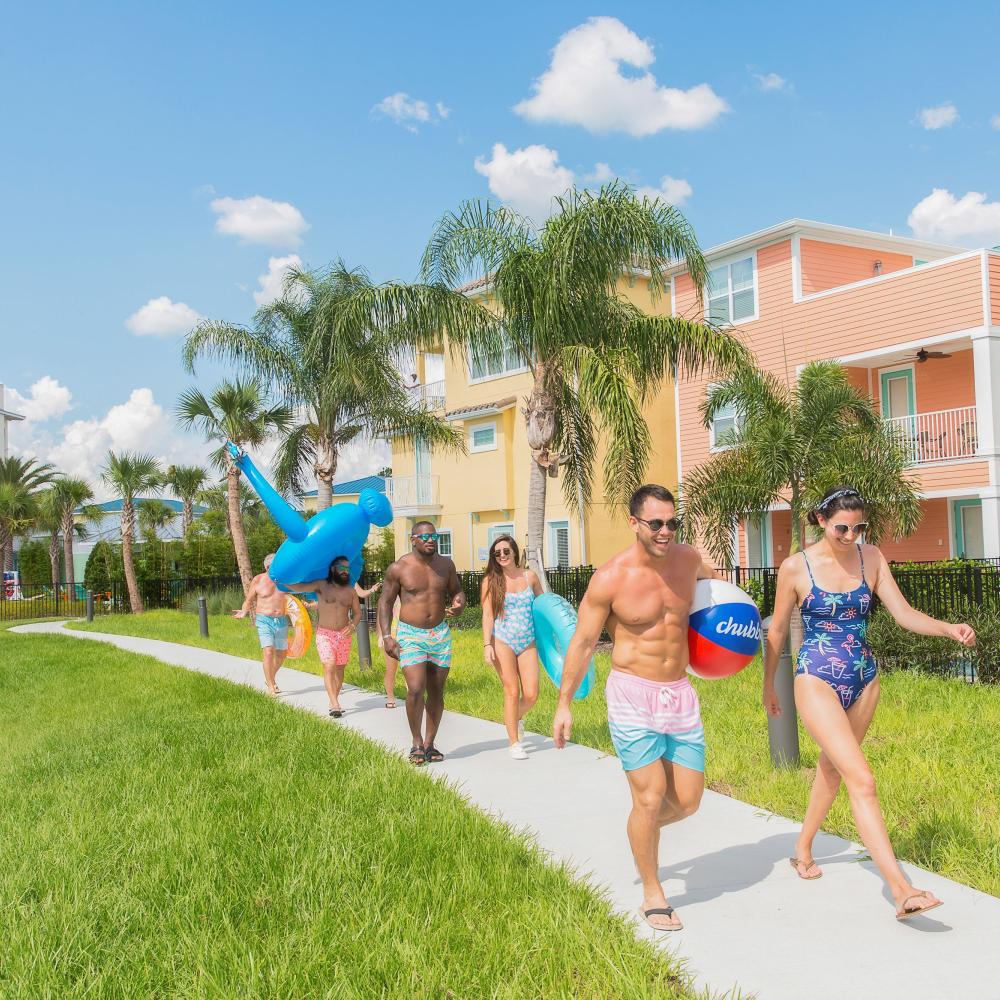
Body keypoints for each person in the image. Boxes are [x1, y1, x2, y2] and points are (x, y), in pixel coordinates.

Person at [764, 484, 975, 921]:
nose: (851, 535)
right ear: (821, 521)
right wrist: (770, 685)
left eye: (859, 528)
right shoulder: (795, 567)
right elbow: (778, 631)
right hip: (816, 678)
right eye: (842, 527)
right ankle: (901, 889)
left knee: (833, 768)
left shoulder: (872, 558)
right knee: (863, 778)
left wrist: (946, 627)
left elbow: (903, 612)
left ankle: (803, 848)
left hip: (864, 679)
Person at [553, 485, 715, 933]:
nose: (666, 531)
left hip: (679, 692)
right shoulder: (611, 577)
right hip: (631, 695)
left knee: (687, 801)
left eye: (672, 522)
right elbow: (584, 642)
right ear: (634, 523)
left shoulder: (690, 561)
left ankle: (639, 830)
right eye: (656, 523)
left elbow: (718, 595)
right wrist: (564, 704)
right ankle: (652, 892)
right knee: (647, 796)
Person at [378, 521, 465, 765]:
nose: (430, 540)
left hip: (439, 634)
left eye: (434, 536)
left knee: (437, 690)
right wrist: (387, 636)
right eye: (424, 536)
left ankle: (430, 744)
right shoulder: (399, 568)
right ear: (413, 539)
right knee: (416, 688)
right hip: (411, 634)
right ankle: (416, 742)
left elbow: (457, 591)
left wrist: (459, 603)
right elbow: (385, 602)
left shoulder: (446, 565)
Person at [481, 534, 543, 759]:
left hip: (528, 641)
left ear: (515, 551)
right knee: (511, 690)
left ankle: (513, 718)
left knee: (532, 694)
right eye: (497, 553)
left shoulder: (530, 577)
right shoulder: (490, 580)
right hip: (502, 640)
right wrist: (487, 644)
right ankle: (514, 742)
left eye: (506, 551)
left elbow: (542, 608)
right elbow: (488, 614)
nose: (502, 556)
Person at [287, 556, 362, 718]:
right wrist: (282, 581)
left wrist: (353, 626)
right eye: (341, 568)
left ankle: (333, 697)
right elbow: (300, 586)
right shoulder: (321, 585)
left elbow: (357, 613)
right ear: (333, 569)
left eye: (347, 569)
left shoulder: (351, 591)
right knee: (329, 665)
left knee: (340, 669)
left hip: (343, 635)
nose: (345, 571)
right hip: (324, 634)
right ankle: (335, 703)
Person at [233, 553, 290, 696]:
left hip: (281, 621)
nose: (275, 568)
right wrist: (244, 611)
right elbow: (249, 599)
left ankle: (270, 677)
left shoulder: (284, 581)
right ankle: (271, 686)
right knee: (269, 651)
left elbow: (300, 590)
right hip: (264, 620)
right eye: (272, 566)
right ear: (267, 567)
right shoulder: (258, 580)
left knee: (282, 655)